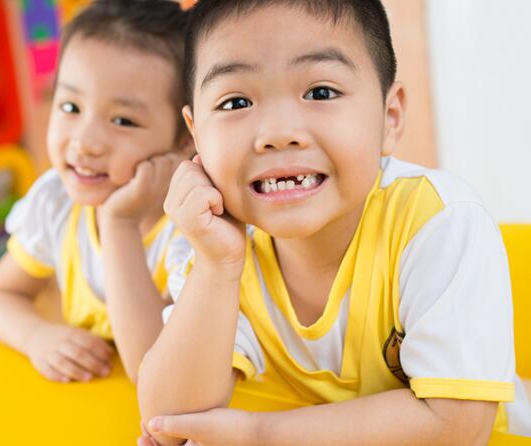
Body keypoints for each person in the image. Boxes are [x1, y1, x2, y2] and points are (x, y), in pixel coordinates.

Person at [137, 0, 531, 444]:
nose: (277, 133)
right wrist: (217, 267)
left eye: (321, 93)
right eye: (236, 102)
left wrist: (261, 436)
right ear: (196, 134)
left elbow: (458, 427)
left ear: (389, 117)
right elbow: (169, 421)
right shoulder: (217, 243)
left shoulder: (440, 222)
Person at [0, 0, 192, 384]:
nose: (85, 142)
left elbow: (154, 369)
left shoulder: (194, 229)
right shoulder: (58, 203)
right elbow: (0, 294)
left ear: (185, 140)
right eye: (70, 107)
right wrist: (36, 336)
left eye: (122, 120)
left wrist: (119, 223)